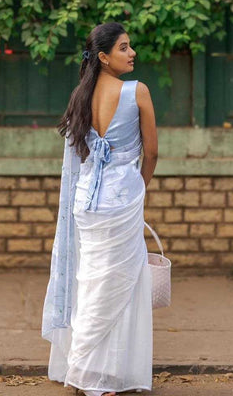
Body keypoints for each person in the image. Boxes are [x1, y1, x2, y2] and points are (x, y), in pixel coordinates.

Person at [41, 22, 158, 396]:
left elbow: (81, 153)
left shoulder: (81, 95)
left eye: (131, 46)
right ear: (104, 57)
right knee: (119, 286)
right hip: (121, 199)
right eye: (124, 47)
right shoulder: (137, 92)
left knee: (92, 283)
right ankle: (98, 376)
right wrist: (139, 185)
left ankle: (84, 369)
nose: (132, 53)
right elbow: (152, 153)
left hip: (86, 201)